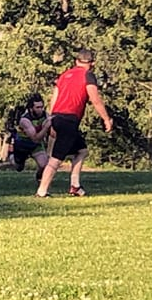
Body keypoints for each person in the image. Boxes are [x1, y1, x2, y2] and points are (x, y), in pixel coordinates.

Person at [35, 48, 113, 198]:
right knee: (56, 159)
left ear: (76, 61)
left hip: (57, 117)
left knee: (81, 151)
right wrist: (106, 119)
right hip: (68, 120)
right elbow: (95, 100)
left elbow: (54, 98)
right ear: (92, 63)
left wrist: (50, 120)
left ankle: (75, 186)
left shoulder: (64, 75)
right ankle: (42, 191)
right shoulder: (88, 76)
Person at [11, 94, 51, 183]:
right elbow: (35, 138)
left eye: (41, 107)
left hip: (36, 145)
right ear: (31, 108)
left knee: (44, 164)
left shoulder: (45, 115)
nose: (40, 109)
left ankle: (39, 178)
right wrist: (45, 127)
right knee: (19, 168)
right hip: (22, 144)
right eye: (37, 107)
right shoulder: (25, 120)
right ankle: (13, 157)